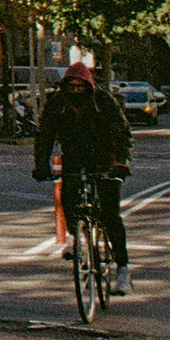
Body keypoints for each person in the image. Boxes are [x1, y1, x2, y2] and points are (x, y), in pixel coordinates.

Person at [32, 62, 133, 293]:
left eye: (81, 86)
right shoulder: (56, 104)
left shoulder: (103, 101)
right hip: (75, 158)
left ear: (89, 86)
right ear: (65, 86)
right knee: (68, 197)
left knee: (110, 214)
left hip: (104, 158)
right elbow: (45, 134)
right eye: (72, 86)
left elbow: (122, 131)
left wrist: (121, 161)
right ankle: (75, 235)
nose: (76, 90)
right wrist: (41, 165)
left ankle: (124, 269)